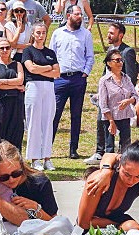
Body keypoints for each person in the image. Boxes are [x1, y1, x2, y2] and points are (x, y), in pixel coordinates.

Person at [88, 22, 139, 164]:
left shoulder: (127, 52)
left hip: (120, 100)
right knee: (102, 121)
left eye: (112, 33)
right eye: (108, 32)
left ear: (120, 35)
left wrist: (126, 96)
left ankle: (117, 157)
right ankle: (101, 152)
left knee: (122, 133)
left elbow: (131, 75)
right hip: (107, 95)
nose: (108, 35)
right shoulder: (111, 50)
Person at [50, 4, 94, 161]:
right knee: (54, 114)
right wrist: (53, 74)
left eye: (81, 14)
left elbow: (90, 56)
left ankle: (73, 149)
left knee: (76, 115)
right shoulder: (57, 33)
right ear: (68, 16)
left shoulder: (86, 35)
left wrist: (85, 73)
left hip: (78, 79)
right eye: (77, 14)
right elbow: (51, 55)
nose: (80, 17)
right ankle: (48, 148)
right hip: (60, 79)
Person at [78, 142, 139, 232]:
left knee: (134, 230)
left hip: (118, 222)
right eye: (127, 174)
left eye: (138, 176)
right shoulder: (99, 180)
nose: (131, 181)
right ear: (119, 165)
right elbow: (83, 223)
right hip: (90, 229)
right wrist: (116, 225)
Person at [0, 140, 58, 220]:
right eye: (4, 177)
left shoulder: (40, 183)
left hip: (40, 230)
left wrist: (35, 208)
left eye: (16, 173)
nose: (11, 180)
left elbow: (53, 222)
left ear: (22, 166)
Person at [22, 21, 59, 171]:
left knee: (48, 122)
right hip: (34, 87)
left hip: (49, 87)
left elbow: (57, 73)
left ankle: (47, 158)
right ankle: (34, 158)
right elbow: (30, 68)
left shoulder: (50, 53)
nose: (40, 35)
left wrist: (41, 69)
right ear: (33, 33)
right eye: (38, 33)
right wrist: (48, 68)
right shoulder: (28, 51)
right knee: (34, 123)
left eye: (43, 33)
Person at [98, 48, 138, 153]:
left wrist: (129, 101)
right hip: (109, 118)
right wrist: (111, 121)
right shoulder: (104, 81)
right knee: (109, 148)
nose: (120, 63)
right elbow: (103, 104)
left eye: (121, 60)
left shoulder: (126, 78)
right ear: (109, 63)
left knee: (126, 147)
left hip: (124, 116)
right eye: (117, 60)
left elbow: (135, 95)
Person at [0, 39, 25, 147]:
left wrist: (4, 81)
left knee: (16, 130)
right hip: (1, 101)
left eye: (7, 48)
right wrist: (15, 86)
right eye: (2, 48)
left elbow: (20, 80)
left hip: (16, 101)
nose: (5, 50)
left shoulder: (17, 64)